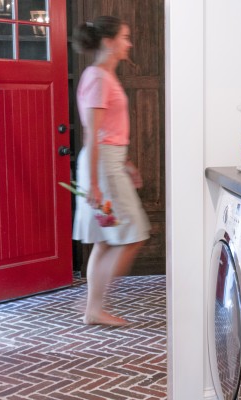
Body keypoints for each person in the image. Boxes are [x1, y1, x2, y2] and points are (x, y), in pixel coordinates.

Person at [72, 16, 150, 326]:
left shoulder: (103, 76)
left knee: (105, 240)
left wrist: (127, 164)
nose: (128, 43)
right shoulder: (99, 78)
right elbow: (92, 134)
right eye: (124, 37)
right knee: (133, 234)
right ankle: (94, 303)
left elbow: (108, 132)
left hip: (108, 162)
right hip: (102, 166)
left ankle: (93, 309)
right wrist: (94, 184)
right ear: (109, 42)